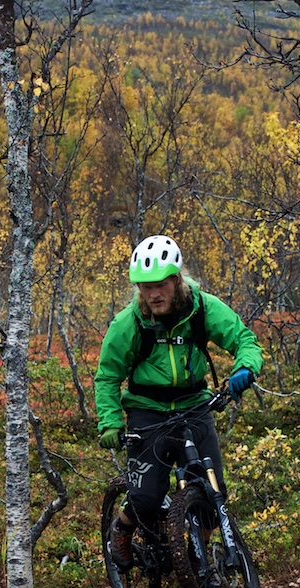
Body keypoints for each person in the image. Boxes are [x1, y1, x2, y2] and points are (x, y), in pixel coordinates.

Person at [94, 235, 261, 566]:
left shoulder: (201, 308)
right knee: (145, 500)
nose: (153, 294)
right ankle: (122, 530)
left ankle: (194, 561)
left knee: (213, 492)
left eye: (160, 285)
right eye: (145, 287)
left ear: (177, 280)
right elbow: (108, 375)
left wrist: (245, 367)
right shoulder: (129, 323)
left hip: (194, 404)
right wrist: (111, 421)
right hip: (147, 411)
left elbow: (244, 339)